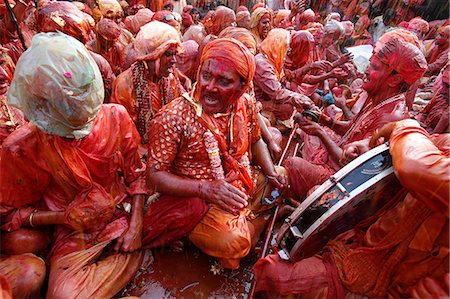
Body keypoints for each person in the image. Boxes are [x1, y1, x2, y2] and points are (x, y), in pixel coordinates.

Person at [0, 32, 149, 298]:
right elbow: (9, 215)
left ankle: (130, 254)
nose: (78, 124)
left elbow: (138, 176)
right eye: (63, 111)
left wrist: (136, 225)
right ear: (40, 108)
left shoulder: (115, 117)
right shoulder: (22, 147)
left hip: (119, 215)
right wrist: (64, 217)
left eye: (81, 105)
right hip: (70, 231)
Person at [253, 118, 449, 298]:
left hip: (384, 275)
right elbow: (398, 151)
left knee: (273, 274)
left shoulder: (401, 119)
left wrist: (402, 125)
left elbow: (414, 165)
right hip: (364, 232)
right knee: (307, 186)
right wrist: (370, 147)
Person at [146, 37, 287, 270]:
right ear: (198, 72)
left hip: (242, 182)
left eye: (223, 81)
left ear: (242, 86)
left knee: (283, 175)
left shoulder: (246, 104)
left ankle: (246, 219)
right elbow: (153, 177)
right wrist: (207, 189)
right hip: (198, 199)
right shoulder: (173, 117)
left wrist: (271, 173)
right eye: (206, 76)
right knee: (234, 244)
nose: (210, 87)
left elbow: (256, 140)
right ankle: (262, 219)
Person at [284, 37, 427, 200]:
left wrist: (320, 132)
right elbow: (349, 128)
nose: (366, 70)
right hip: (339, 155)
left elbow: (349, 166)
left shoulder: (390, 117)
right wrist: (322, 120)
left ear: (394, 79)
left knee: (292, 164)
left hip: (344, 178)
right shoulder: (378, 98)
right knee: (311, 135)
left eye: (374, 67)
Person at [112, 21, 186, 144]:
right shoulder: (125, 85)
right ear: (150, 56)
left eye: (175, 54)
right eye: (167, 54)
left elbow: (181, 109)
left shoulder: (171, 77)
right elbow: (124, 133)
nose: (174, 61)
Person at [253, 29, 313, 124]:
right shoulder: (262, 65)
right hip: (258, 100)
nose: (286, 53)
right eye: (285, 49)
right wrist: (299, 98)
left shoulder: (270, 59)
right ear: (277, 47)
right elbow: (277, 93)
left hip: (267, 96)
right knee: (287, 108)